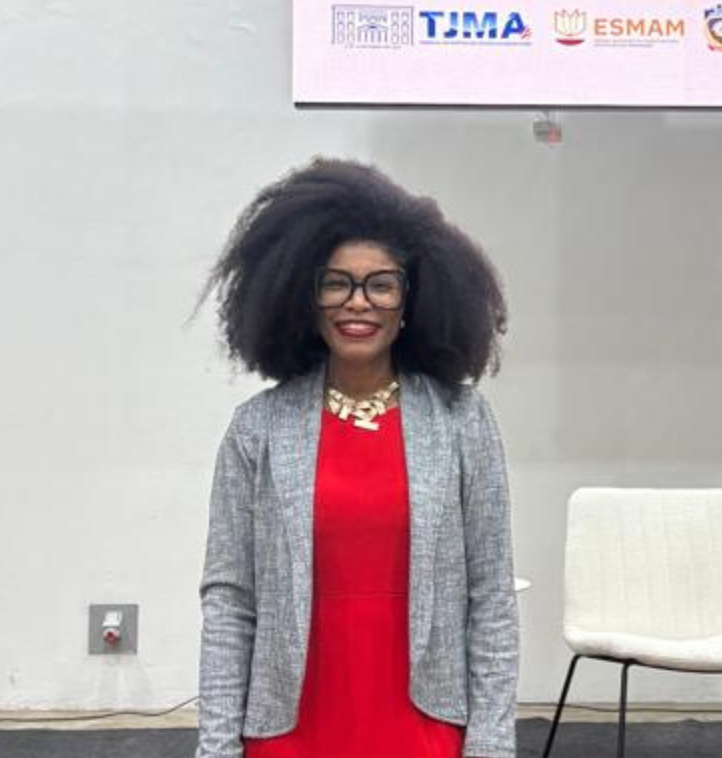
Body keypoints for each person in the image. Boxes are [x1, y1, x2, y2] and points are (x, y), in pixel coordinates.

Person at [195, 158, 518, 758]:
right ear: (305, 296)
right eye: (335, 281)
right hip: (291, 728)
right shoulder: (258, 429)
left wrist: (491, 744)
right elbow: (230, 601)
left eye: (381, 284)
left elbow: (491, 597)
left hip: (423, 726)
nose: (358, 303)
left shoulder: (461, 421)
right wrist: (216, 747)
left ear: (409, 301)